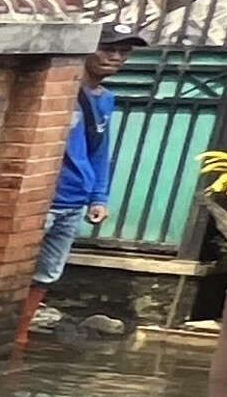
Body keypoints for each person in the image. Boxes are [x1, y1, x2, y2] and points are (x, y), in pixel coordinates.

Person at [30, 21, 150, 333]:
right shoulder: (60, 92)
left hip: (73, 200)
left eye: (123, 52)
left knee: (47, 272)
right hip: (44, 199)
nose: (116, 57)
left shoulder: (104, 99)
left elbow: (99, 151)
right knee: (15, 268)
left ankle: (20, 335)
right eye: (108, 49)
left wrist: (99, 196)